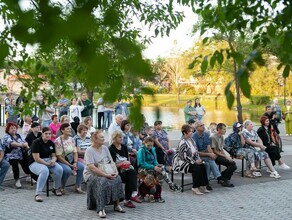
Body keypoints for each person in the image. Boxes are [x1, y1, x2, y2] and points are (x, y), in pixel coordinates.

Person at [83, 130, 125, 218]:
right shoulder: (89, 151)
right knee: (102, 181)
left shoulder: (105, 148)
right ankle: (100, 208)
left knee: (117, 178)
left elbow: (111, 161)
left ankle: (116, 204)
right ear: (95, 139)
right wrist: (105, 175)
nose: (104, 139)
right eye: (101, 137)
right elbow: (91, 167)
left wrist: (116, 172)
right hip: (91, 174)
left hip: (106, 171)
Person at [137, 136, 180, 202]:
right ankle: (170, 185)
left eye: (151, 145)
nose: (149, 147)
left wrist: (157, 165)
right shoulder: (141, 150)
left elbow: (155, 160)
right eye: (148, 145)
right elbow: (142, 163)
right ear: (144, 143)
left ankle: (157, 195)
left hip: (151, 167)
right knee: (157, 173)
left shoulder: (153, 149)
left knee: (161, 172)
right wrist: (154, 167)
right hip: (142, 168)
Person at [172, 124, 210, 195]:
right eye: (190, 131)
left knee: (203, 166)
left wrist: (198, 160)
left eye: (192, 131)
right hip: (182, 162)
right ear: (184, 133)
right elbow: (183, 156)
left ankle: (203, 185)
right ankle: (195, 187)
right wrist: (194, 161)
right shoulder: (182, 142)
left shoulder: (192, 140)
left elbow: (195, 152)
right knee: (196, 168)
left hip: (191, 160)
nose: (192, 132)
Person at [29, 127, 64, 201]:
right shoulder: (36, 142)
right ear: (42, 134)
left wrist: (53, 160)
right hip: (34, 163)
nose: (48, 135)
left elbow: (54, 155)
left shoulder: (50, 142)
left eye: (49, 134)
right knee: (44, 170)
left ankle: (56, 188)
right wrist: (47, 164)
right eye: (46, 134)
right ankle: (38, 193)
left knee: (59, 169)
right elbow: (36, 158)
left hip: (47, 160)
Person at [109, 131, 141, 208]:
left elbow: (127, 159)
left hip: (125, 168)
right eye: (119, 137)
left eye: (122, 137)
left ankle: (130, 195)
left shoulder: (124, 147)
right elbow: (112, 165)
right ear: (114, 139)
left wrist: (126, 163)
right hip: (116, 171)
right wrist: (122, 163)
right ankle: (128, 198)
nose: (122, 139)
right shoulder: (111, 149)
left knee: (132, 173)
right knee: (129, 177)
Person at [192, 121, 227, 190]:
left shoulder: (206, 134)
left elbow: (208, 146)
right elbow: (195, 152)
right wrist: (209, 154)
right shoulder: (194, 137)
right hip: (197, 155)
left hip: (205, 154)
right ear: (197, 128)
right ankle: (218, 177)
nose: (203, 126)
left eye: (203, 125)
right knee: (210, 161)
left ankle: (206, 182)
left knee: (208, 164)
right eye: (201, 126)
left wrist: (212, 154)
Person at [54, 123, 85, 193]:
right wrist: (70, 165)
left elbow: (75, 152)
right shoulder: (57, 141)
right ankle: (62, 187)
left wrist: (75, 162)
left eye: (70, 128)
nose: (70, 130)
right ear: (62, 130)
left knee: (81, 167)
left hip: (71, 160)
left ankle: (77, 186)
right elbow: (59, 156)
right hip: (62, 161)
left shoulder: (71, 139)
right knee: (67, 170)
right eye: (67, 129)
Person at [2, 122, 31, 188]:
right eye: (11, 128)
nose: (13, 129)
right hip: (10, 155)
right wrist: (22, 145)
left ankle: (29, 175)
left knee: (26, 159)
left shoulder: (18, 135)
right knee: (14, 162)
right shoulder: (6, 136)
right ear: (8, 129)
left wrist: (26, 144)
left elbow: (24, 141)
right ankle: (17, 179)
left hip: (19, 154)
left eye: (14, 128)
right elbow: (12, 143)